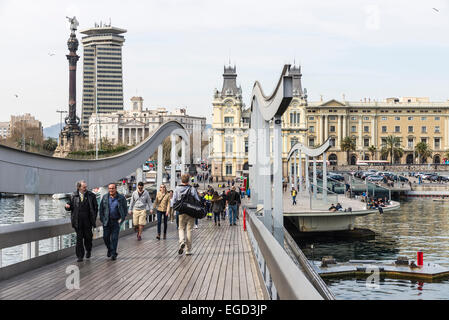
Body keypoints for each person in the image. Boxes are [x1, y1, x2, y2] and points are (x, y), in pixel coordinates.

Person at [65, 180, 98, 262]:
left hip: (88, 221)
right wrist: (67, 207)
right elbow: (69, 206)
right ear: (78, 187)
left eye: (86, 187)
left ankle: (88, 250)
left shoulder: (91, 195)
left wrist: (93, 217)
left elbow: (95, 208)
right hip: (78, 222)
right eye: (83, 187)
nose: (85, 188)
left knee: (88, 238)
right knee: (79, 239)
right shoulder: (73, 195)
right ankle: (80, 256)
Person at [173, 174, 201, 255]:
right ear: (188, 180)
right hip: (191, 211)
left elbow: (174, 200)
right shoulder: (192, 188)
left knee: (181, 228)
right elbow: (197, 199)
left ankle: (182, 241)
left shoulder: (177, 188)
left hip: (181, 211)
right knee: (189, 230)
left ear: (181, 180)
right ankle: (188, 250)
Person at [99, 183, 128, 261]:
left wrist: (121, 219)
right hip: (107, 221)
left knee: (114, 238)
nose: (111, 190)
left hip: (116, 221)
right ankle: (110, 249)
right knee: (105, 237)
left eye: (112, 188)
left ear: (116, 189)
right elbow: (101, 209)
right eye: (109, 188)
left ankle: (113, 254)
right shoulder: (105, 197)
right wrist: (102, 219)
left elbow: (125, 209)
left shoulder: (121, 198)